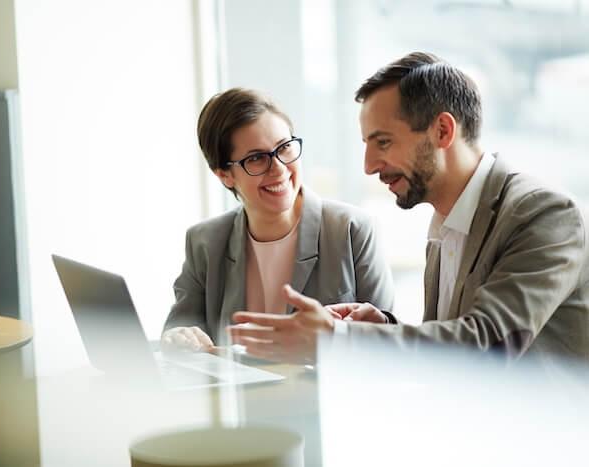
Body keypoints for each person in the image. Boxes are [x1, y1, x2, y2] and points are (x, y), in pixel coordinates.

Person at [229, 52, 589, 365]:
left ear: (443, 132)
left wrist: (340, 340)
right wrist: (383, 330)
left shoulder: (544, 213)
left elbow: (490, 346)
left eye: (383, 142)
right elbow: (452, 348)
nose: (369, 165)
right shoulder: (447, 219)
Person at [161, 88, 395, 352]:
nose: (280, 169)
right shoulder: (204, 241)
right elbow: (179, 328)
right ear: (224, 175)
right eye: (257, 158)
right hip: (239, 392)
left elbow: (387, 342)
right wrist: (180, 337)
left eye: (284, 148)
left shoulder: (352, 229)